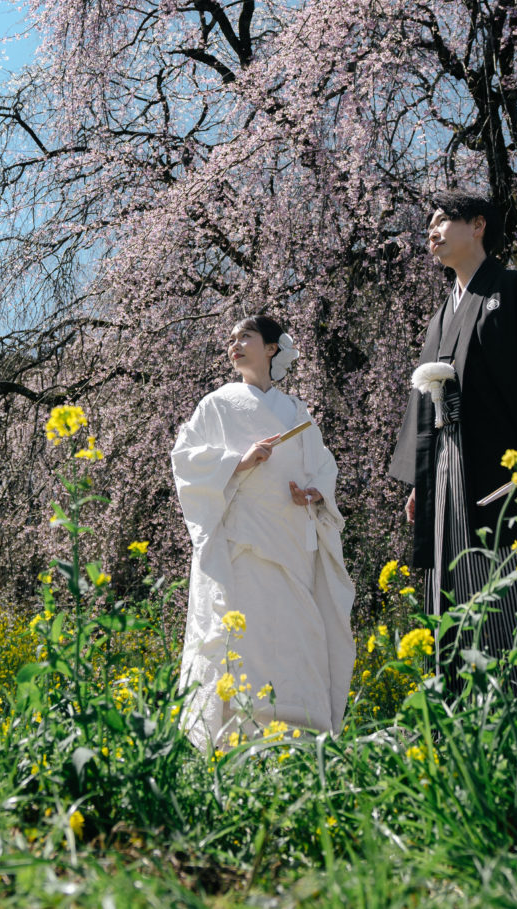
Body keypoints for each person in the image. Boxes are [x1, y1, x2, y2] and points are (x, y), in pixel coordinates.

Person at [388, 193, 517, 659]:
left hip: (510, 461)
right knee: (458, 576)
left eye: (444, 219)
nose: (432, 230)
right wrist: (421, 482)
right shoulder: (438, 321)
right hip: (448, 469)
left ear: (479, 224)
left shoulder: (515, 290)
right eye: (430, 223)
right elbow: (423, 409)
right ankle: (470, 717)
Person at [171, 315, 353, 750]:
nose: (234, 344)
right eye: (231, 339)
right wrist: (238, 460)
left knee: (297, 635)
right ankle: (237, 738)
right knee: (244, 637)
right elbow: (185, 458)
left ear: (272, 348)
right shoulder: (216, 405)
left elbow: (323, 467)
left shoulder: (297, 411)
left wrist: (313, 493)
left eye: (246, 337)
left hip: (292, 541)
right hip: (244, 543)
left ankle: (303, 736)